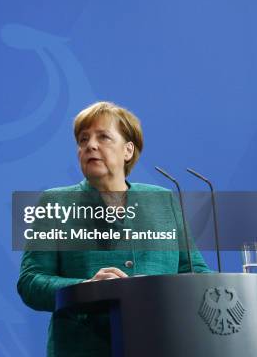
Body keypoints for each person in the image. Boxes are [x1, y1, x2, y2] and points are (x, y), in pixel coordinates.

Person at [17, 101, 211, 356]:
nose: (90, 145)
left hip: (161, 344)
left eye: (103, 137)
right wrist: (87, 286)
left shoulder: (163, 200)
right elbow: (31, 283)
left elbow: (195, 272)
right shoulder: (55, 203)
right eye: (83, 139)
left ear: (128, 150)